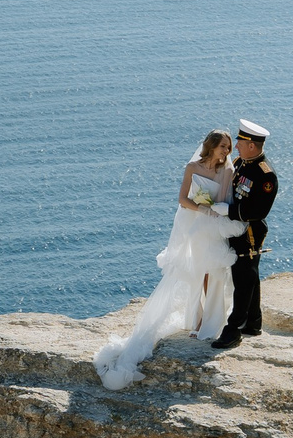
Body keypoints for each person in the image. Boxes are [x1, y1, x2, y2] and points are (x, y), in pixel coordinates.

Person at [92, 130, 246, 389]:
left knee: (215, 275)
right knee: (198, 273)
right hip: (197, 228)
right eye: (222, 146)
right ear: (210, 146)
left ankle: (212, 323)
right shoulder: (192, 167)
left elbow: (225, 200)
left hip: (215, 229)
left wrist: (214, 209)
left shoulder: (227, 171)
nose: (226, 152)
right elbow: (182, 199)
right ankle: (196, 322)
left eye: (229, 147)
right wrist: (202, 207)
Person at [211, 120, 277, 349]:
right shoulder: (241, 163)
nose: (235, 146)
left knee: (243, 277)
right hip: (234, 227)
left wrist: (228, 210)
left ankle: (233, 329)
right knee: (249, 274)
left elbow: (258, 210)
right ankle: (253, 321)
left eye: (240, 142)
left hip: (249, 231)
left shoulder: (265, 175)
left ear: (252, 145)